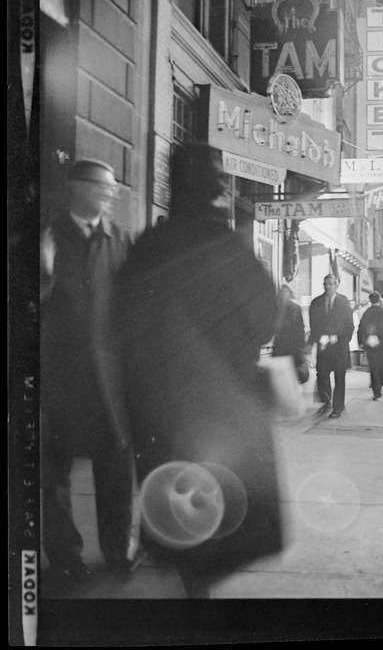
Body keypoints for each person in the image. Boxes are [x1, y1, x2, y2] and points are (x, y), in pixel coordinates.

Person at [115, 143, 283, 597]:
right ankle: (205, 579)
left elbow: (123, 321)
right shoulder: (225, 243)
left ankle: (193, 577)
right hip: (222, 397)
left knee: (178, 494)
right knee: (225, 491)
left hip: (162, 402)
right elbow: (266, 310)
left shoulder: (150, 245)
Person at [40, 158, 138, 586]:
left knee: (116, 468)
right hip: (58, 380)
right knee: (54, 474)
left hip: (110, 381)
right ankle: (66, 556)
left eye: (112, 188)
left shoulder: (122, 241)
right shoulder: (45, 238)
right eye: (101, 186)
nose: (109, 194)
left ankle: (118, 550)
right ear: (75, 187)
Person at [308, 274, 355, 418]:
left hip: (339, 347)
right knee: (322, 375)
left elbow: (349, 325)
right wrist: (315, 340)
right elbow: (313, 325)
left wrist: (342, 340)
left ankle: (338, 407)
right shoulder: (316, 302)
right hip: (323, 347)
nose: (327, 286)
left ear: (336, 285)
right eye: (325, 284)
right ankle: (326, 402)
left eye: (330, 284)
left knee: (339, 377)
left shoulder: (343, 302)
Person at [356, 291, 383, 400]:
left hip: (371, 342)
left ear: (370, 300)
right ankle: (382, 380)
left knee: (373, 366)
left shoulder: (367, 312)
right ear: (379, 299)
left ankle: (376, 390)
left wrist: (360, 341)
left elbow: (361, 328)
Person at [272, 284, 309, 384]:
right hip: (278, 347)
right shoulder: (274, 308)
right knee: (278, 376)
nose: (283, 295)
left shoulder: (295, 308)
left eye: (285, 292)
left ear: (289, 295)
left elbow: (300, 328)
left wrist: (301, 347)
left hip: (292, 348)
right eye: (282, 292)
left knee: (291, 375)